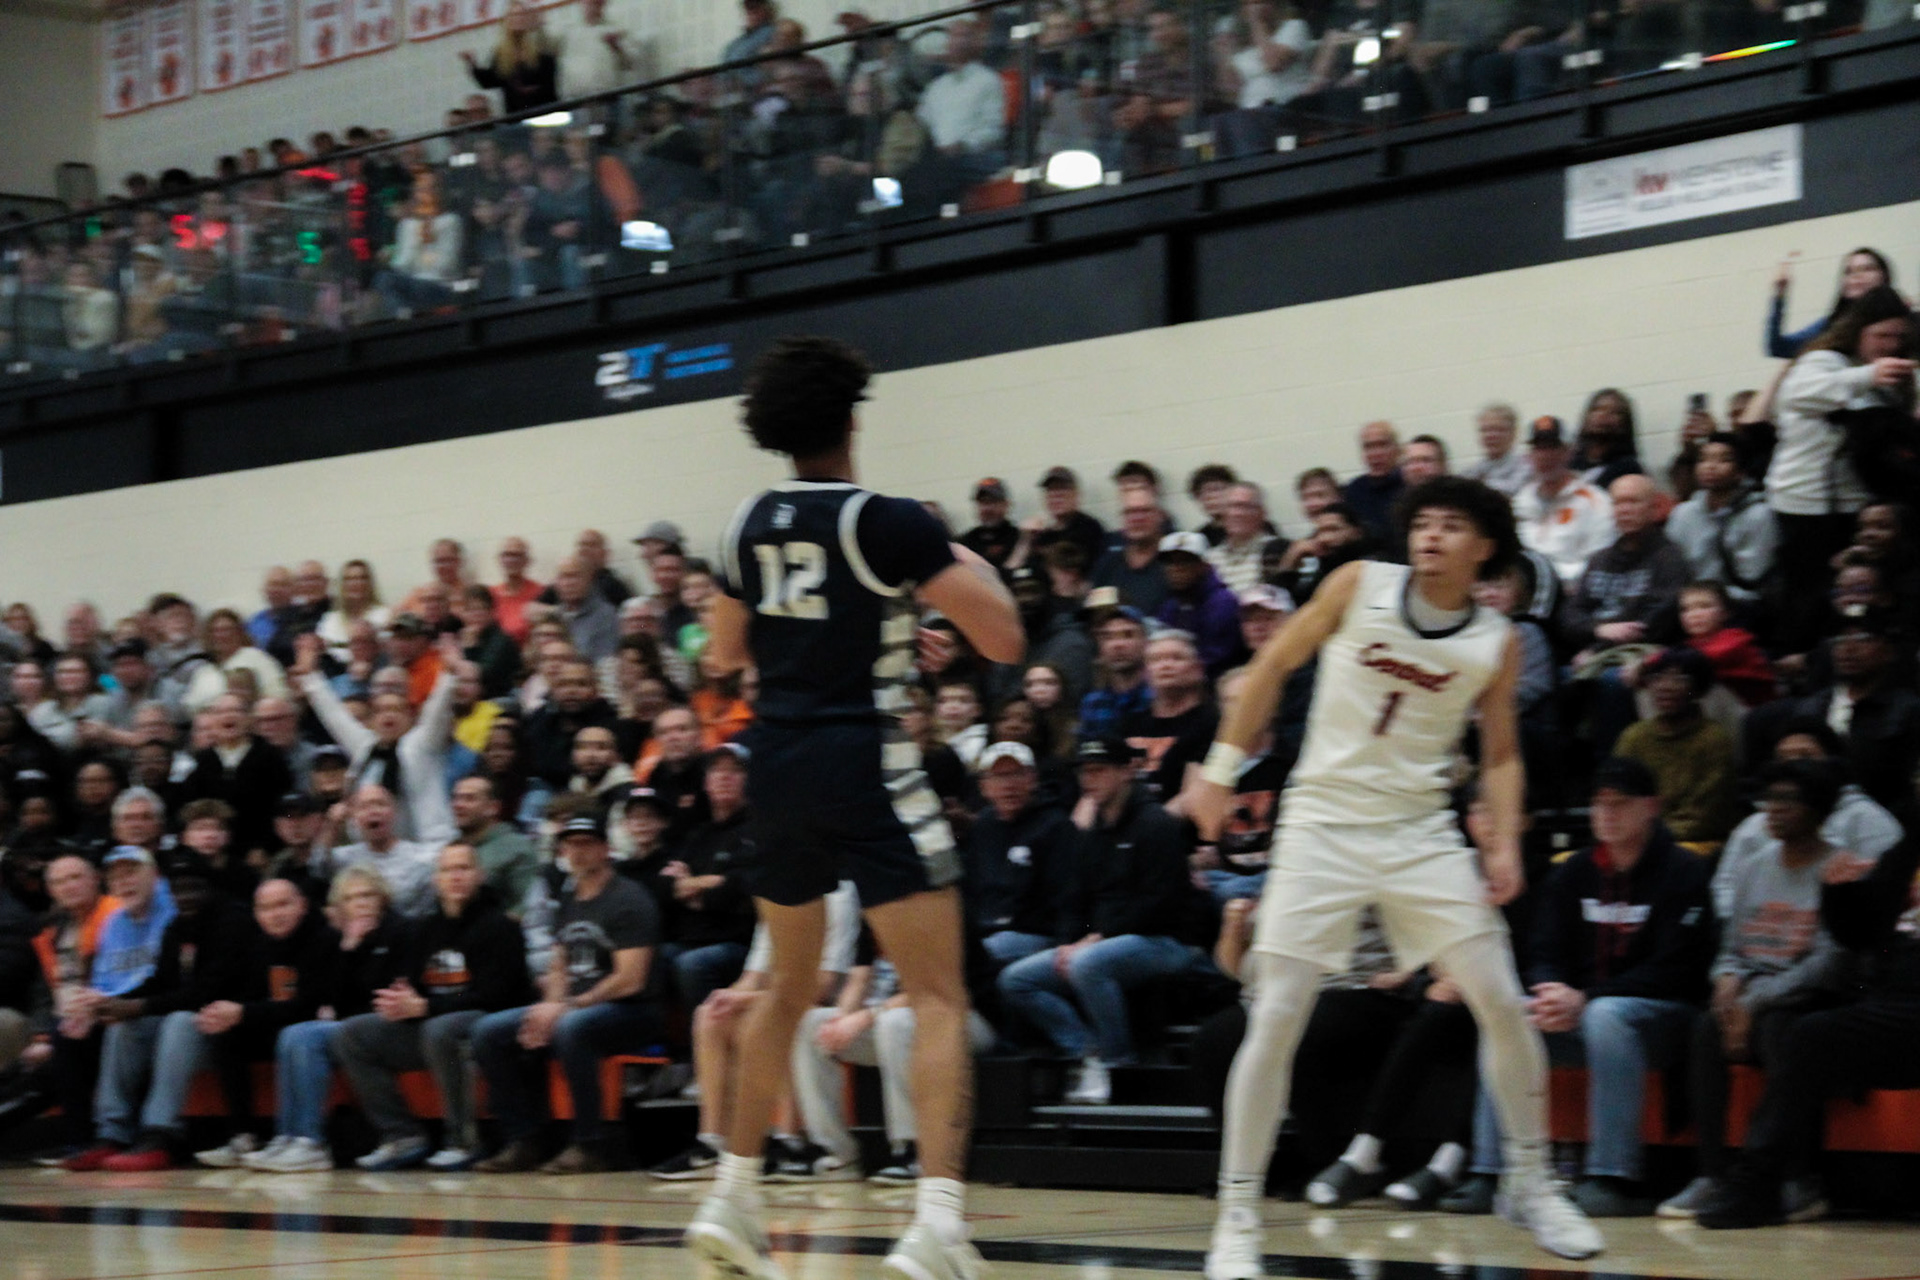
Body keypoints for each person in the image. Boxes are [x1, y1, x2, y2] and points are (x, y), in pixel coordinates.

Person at [1189, 476, 1604, 1270]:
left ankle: (1531, 1182)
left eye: (1452, 526)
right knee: (1276, 1013)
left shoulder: (1496, 640)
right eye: (1423, 523)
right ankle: (1236, 1215)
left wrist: (1504, 843)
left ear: (1486, 547)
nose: (1431, 536)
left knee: (1500, 998)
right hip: (1322, 821)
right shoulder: (1358, 584)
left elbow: (1502, 753)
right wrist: (1219, 768)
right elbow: (1273, 663)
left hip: (1418, 831)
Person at [684, 337, 1022, 1280]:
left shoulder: (745, 523)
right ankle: (938, 1225)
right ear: (852, 420)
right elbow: (1003, 638)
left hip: (776, 764)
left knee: (785, 988)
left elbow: (722, 656)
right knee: (938, 995)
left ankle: (732, 1197)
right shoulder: (890, 522)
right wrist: (954, 556)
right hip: (865, 760)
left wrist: (840, 629)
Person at [1452, 757, 1715, 1218]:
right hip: (1582, 1013)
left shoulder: (1684, 871)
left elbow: (1677, 970)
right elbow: (1544, 949)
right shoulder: (1573, 872)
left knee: (1607, 1016)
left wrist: (1585, 999)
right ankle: (1489, 1171)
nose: (1606, 813)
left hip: (1665, 1018)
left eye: (1620, 803)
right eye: (1598, 803)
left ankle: (1612, 1177)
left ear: (1650, 807)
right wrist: (1550, 991)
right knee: (1508, 1013)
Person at [1658, 758, 1860, 1221]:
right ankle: (1711, 1174)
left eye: (1789, 800)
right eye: (1771, 798)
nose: (1775, 808)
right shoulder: (1753, 865)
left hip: (1808, 998)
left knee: (1782, 1032)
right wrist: (1726, 982)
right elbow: (1732, 947)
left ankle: (1797, 1179)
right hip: (1752, 992)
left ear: (1818, 809)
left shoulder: (1838, 868)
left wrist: (1756, 1001)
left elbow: (1830, 964)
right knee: (1705, 1029)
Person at [997, 735, 1195, 1103]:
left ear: (1126, 772)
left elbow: (1159, 902)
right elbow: (1074, 900)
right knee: (1017, 979)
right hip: (1106, 940)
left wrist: (1098, 937)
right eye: (1085, 772)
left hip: (1166, 940)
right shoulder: (1091, 835)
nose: (1089, 780)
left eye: (1099, 770)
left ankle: (1118, 1064)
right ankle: (1086, 1051)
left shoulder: (1157, 824)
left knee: (1088, 965)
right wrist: (1069, 942)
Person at [472, 811, 662, 1174]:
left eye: (587, 844)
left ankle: (590, 1144)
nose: (578, 851)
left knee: (572, 1028)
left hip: (632, 1010)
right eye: (571, 844)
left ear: (605, 849)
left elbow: (631, 979)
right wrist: (549, 1006)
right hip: (578, 1005)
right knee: (489, 1032)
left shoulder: (629, 899)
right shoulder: (570, 896)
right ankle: (524, 1139)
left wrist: (567, 1007)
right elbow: (560, 964)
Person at [334, 842, 531, 1171]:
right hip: (431, 1028)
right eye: (447, 870)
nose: (455, 876)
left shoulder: (501, 926)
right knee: (353, 1033)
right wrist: (400, 1002)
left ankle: (463, 1140)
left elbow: (494, 996)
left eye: (463, 868)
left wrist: (424, 1007)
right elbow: (412, 984)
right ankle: (402, 1135)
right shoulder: (424, 929)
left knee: (441, 1029)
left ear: (479, 875)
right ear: (436, 880)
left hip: (484, 1028)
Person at [63, 850, 259, 1172]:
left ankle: (161, 1134)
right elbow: (159, 982)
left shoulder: (233, 920)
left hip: (235, 1031)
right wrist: (107, 1005)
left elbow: (205, 993)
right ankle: (112, 1133)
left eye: (194, 888)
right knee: (124, 1026)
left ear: (210, 887)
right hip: (196, 1025)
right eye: (179, 890)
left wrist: (136, 1006)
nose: (186, 897)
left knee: (179, 1021)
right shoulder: (178, 925)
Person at [1766, 285, 1915, 653]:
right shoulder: (1825, 361)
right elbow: (1797, 394)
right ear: (1859, 330)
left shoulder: (1891, 376)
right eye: (1882, 335)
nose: (1890, 344)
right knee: (1809, 599)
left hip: (1856, 504)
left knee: (1856, 596)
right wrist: (1868, 376)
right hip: (1804, 504)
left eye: (1898, 336)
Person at [190, 878, 339, 1168]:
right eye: (266, 908)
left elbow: (310, 1006)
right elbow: (248, 999)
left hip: (316, 1033)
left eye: (283, 904)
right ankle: (244, 1137)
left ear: (302, 905)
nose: (275, 914)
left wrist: (243, 1012)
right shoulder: (256, 946)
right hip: (279, 1028)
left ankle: (305, 1140)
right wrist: (222, 1015)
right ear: (256, 914)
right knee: (226, 1034)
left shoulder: (324, 940)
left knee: (291, 1034)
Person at [962, 742, 1076, 965]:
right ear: (984, 786)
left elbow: (1067, 896)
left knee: (974, 959)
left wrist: (1066, 941)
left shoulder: (1055, 826)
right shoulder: (983, 826)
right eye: (999, 777)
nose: (1009, 785)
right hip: (985, 931)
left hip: (1035, 934)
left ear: (1033, 779)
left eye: (1017, 774)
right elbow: (971, 889)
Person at [1614, 648, 1739, 849]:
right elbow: (1618, 796)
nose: (1665, 686)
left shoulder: (1714, 740)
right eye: (1657, 678)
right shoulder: (1633, 737)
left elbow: (1705, 816)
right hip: (1637, 840)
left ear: (1697, 689)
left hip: (1694, 842)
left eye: (1679, 679)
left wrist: (1650, 838)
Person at [1664, 433, 1778, 618]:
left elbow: (1752, 579)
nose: (1710, 466)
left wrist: (1710, 603)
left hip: (1740, 604)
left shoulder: (1758, 515)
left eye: (1724, 460)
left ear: (1741, 472)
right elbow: (1671, 568)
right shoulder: (1683, 514)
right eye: (1704, 459)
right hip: (1691, 603)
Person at [1513, 418, 1614, 589]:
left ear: (1569, 453)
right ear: (1529, 456)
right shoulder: (1521, 502)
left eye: (1552, 447)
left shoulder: (1595, 502)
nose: (1545, 455)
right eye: (1539, 448)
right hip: (1526, 592)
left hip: (1573, 593)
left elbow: (1600, 563)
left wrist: (1549, 576)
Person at [315, 785, 439, 918]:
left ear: (394, 811)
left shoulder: (421, 858)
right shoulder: (345, 858)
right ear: (353, 817)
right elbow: (317, 866)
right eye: (364, 807)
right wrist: (333, 826)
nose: (373, 811)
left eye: (380, 804)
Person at [1765, 247, 1895, 359]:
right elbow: (1778, 347)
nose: (1857, 275)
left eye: (1867, 269)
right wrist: (1779, 294)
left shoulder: (1898, 319)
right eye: (1849, 271)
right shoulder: (1832, 325)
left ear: (1884, 276)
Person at [1156, 533, 1242, 677]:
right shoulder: (1171, 604)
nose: (1176, 568)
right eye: (1169, 562)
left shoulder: (1223, 603)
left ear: (1204, 565)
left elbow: (1215, 659)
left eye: (1185, 561)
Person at [1205, 484, 1283, 596]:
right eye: (1231, 506)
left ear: (1262, 513)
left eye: (1245, 507)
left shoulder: (1278, 551)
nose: (1237, 513)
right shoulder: (1211, 558)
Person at [1341, 421, 1405, 542]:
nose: (1376, 454)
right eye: (1368, 447)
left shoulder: (1410, 485)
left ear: (1398, 450)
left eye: (1382, 445)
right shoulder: (1354, 491)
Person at [1465, 403, 1530, 496]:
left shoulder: (1526, 465)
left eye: (1498, 430)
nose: (1490, 436)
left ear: (1513, 433)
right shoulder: (1474, 470)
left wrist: (1480, 484)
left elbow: (1514, 489)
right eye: (1485, 430)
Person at [958, 478, 1020, 572]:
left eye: (992, 502)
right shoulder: (966, 542)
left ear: (1006, 505)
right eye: (982, 503)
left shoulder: (1019, 538)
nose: (987, 509)